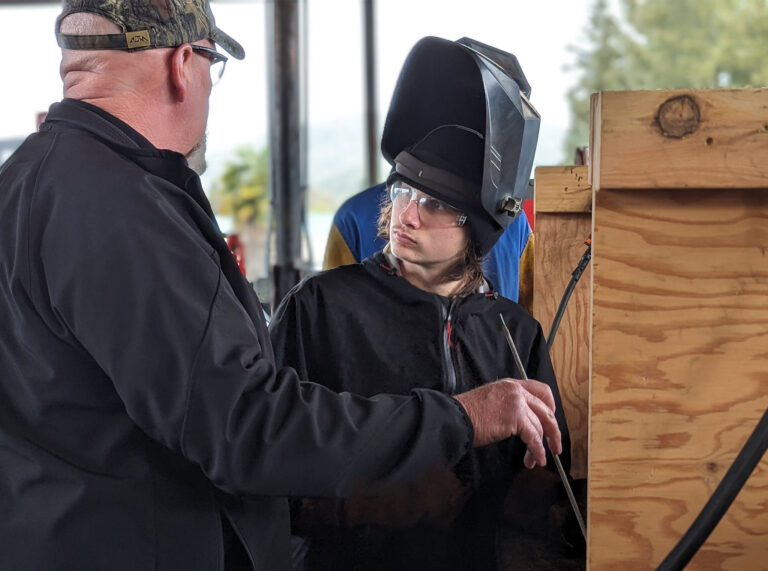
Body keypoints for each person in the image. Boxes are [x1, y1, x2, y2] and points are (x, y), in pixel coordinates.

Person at [0, 3, 563, 571]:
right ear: (183, 65)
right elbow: (249, 427)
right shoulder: (120, 207)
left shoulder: (27, 183)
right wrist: (460, 419)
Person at [270, 37, 572, 570]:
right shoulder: (318, 308)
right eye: (404, 190)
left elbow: (543, 488)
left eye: (433, 203)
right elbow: (270, 456)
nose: (406, 215)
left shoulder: (515, 334)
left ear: (479, 230)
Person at [323, 182, 534, 307]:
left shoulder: (516, 222)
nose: (408, 217)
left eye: (437, 206)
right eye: (403, 193)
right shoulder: (512, 218)